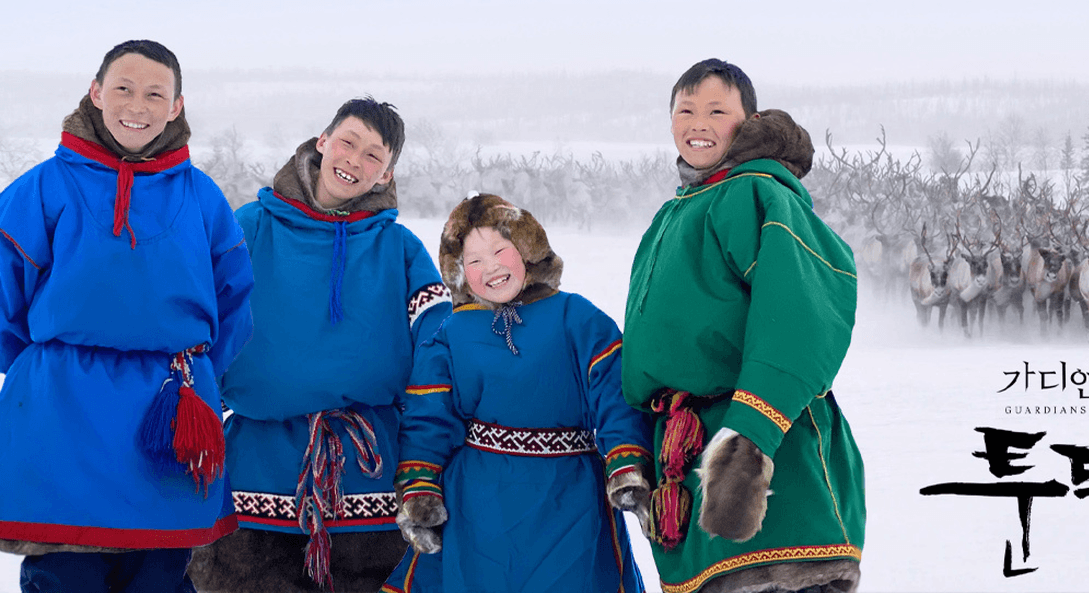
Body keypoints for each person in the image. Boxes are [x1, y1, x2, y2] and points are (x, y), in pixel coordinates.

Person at [0, 39, 254, 592]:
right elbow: (4, 299)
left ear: (176, 107)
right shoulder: (44, 187)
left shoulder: (202, 196)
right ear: (95, 93)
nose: (137, 105)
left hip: (167, 419)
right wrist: (56, 367)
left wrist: (197, 376)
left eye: (155, 93)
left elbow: (234, 305)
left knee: (160, 580)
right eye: (123, 88)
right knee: (66, 578)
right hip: (61, 419)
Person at [187, 98, 452, 592]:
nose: (354, 160)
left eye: (374, 155)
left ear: (387, 175)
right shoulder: (248, 227)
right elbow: (194, 318)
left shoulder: (401, 249)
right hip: (255, 477)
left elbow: (441, 351)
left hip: (372, 482)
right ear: (322, 142)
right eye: (348, 142)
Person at [621, 59, 865, 593]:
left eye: (717, 111)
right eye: (685, 110)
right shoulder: (672, 213)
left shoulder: (757, 193)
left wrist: (748, 441)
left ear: (747, 121)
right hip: (686, 454)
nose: (698, 123)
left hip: (768, 456)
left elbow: (802, 319)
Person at [385, 193, 652, 593]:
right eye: (473, 261)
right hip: (478, 503)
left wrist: (625, 461)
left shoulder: (576, 317)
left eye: (499, 250)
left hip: (569, 497)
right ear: (459, 272)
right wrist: (420, 487)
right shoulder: (452, 333)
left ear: (527, 250)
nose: (490, 267)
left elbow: (614, 392)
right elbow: (428, 417)